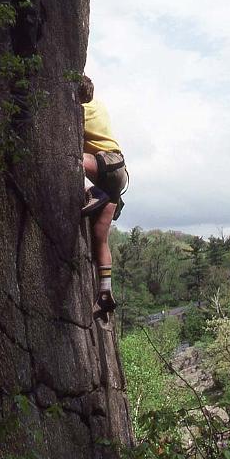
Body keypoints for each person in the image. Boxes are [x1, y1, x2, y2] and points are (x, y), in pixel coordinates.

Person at [78, 75, 127, 315]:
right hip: (119, 173)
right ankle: (105, 292)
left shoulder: (80, 110)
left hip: (105, 165)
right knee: (100, 236)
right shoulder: (99, 106)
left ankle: (94, 193)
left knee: (68, 155)